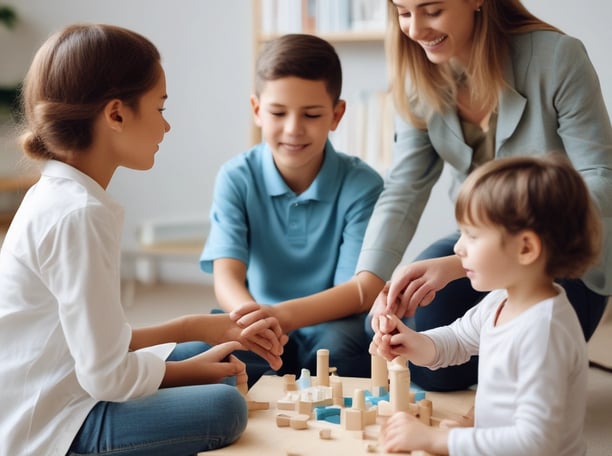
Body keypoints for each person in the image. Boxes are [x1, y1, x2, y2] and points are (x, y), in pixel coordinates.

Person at [0, 24, 286, 456]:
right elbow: (105, 376)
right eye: (160, 107)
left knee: (217, 355)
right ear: (116, 114)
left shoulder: (61, 194)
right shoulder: (79, 214)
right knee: (225, 405)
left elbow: (96, 340)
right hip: (57, 423)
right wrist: (190, 373)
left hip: (70, 381)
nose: (166, 126)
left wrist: (192, 327)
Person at [361, 0, 612, 391]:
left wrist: (460, 262)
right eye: (404, 12)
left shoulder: (558, 57)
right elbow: (403, 189)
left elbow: (601, 178)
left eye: (432, 10)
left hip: (562, 255)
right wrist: (374, 282)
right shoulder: (416, 77)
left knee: (507, 348)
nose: (415, 29)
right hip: (475, 247)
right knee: (397, 335)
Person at [371, 154, 601, 455]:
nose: (458, 247)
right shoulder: (501, 301)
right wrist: (411, 342)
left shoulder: (544, 332)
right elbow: (456, 340)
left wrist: (435, 440)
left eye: (473, 235)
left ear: (526, 248)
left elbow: (535, 442)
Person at [200, 33, 384, 384]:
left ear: (337, 113)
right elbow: (227, 278)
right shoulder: (236, 177)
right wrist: (257, 320)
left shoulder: (363, 184)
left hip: (331, 324)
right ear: (257, 110)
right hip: (256, 317)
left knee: (341, 357)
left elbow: (358, 291)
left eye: (312, 114)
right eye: (278, 113)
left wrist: (280, 316)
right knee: (211, 355)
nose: (293, 129)